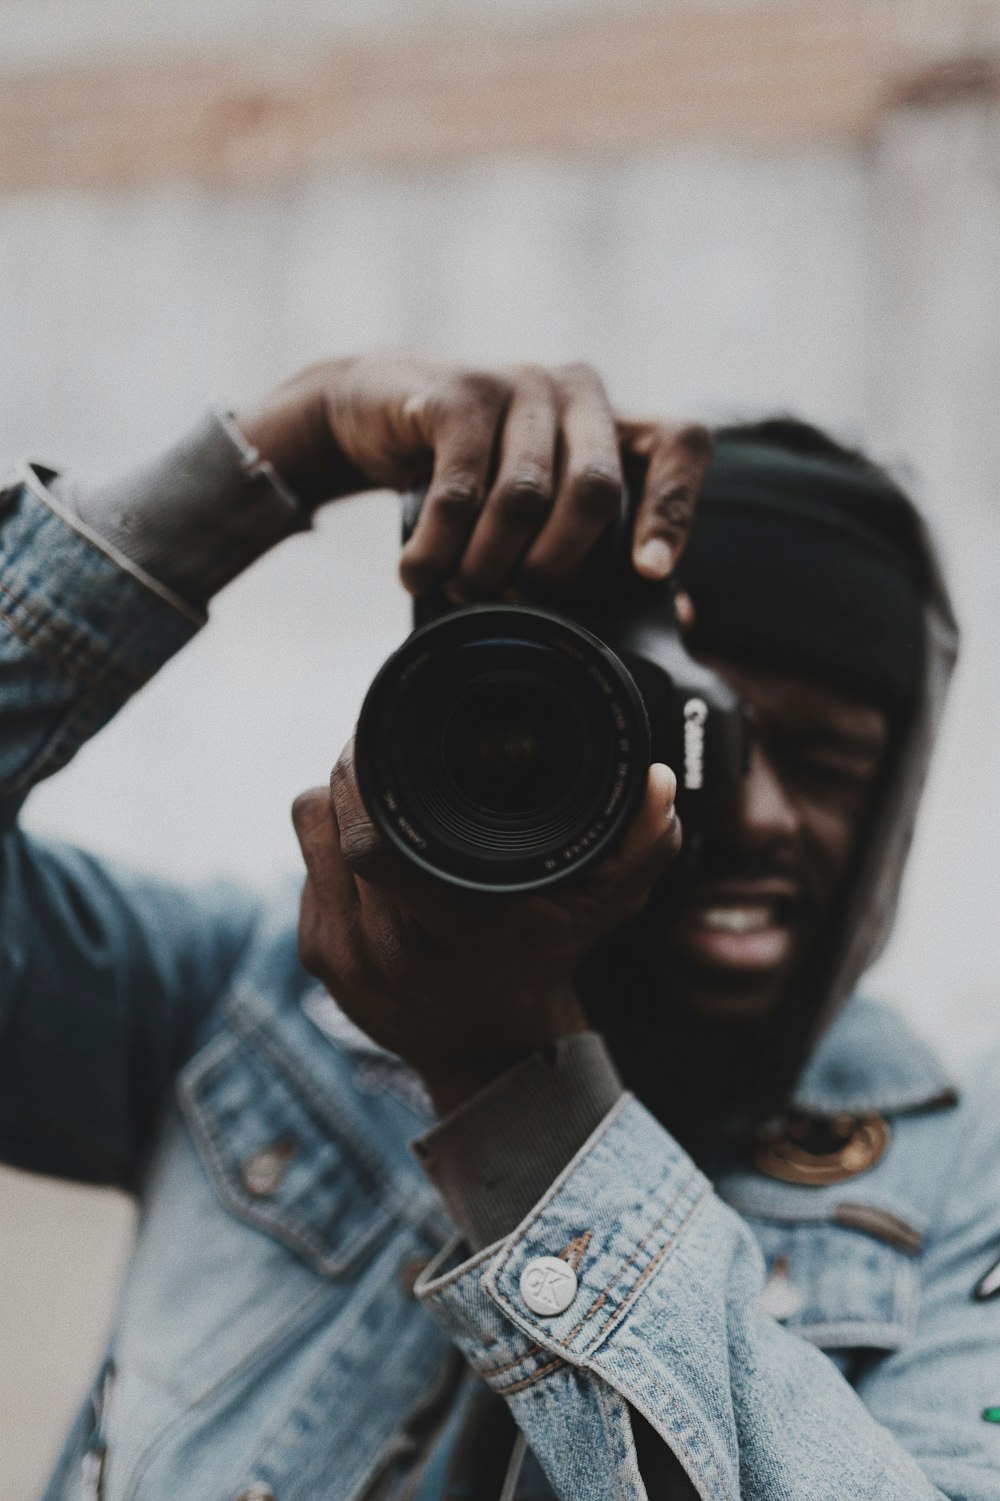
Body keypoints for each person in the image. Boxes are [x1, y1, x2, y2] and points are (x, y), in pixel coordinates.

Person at [0, 354, 996, 1501]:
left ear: (898, 811)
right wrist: (284, 452)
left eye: (823, 760)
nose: (746, 812)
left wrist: (513, 1093)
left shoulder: (966, 1174)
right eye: (686, 728)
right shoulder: (262, 1000)